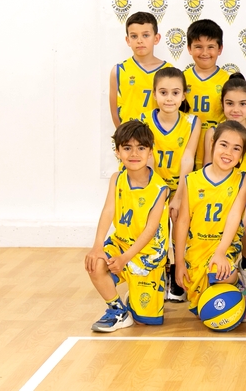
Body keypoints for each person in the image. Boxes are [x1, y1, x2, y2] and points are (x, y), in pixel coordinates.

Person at [85, 120, 169, 332]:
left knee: (144, 322)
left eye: (141, 148)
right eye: (127, 147)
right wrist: (97, 246)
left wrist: (125, 258)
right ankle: (118, 311)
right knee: (95, 263)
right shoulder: (117, 179)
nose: (134, 153)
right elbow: (108, 211)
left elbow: (150, 230)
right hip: (121, 243)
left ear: (150, 151)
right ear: (117, 151)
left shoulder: (159, 188)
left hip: (148, 254)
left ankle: (138, 292)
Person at [174, 121, 246, 320]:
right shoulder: (191, 180)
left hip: (225, 244)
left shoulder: (245, 179)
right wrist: (179, 262)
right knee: (202, 309)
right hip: (197, 248)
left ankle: (237, 287)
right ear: (212, 143)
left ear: (242, 155)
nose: (228, 153)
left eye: (236, 148)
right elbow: (183, 222)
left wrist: (220, 252)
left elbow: (235, 216)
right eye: (224, 144)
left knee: (220, 272)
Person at [204, 74, 246, 301]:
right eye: (229, 103)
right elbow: (206, 170)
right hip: (218, 197)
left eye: (242, 104)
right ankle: (215, 264)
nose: (236, 109)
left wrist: (245, 204)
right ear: (222, 104)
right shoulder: (212, 132)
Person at [140, 67, 200, 302]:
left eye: (175, 93)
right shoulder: (144, 121)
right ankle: (159, 272)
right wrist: (161, 196)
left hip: (182, 187)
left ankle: (177, 272)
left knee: (180, 224)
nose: (169, 98)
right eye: (163, 92)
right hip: (155, 186)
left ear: (183, 95)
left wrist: (178, 196)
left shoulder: (192, 122)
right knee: (156, 227)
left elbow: (188, 159)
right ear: (154, 94)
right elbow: (148, 160)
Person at [183, 19, 231, 170]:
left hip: (217, 153)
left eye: (210, 47)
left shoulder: (229, 81)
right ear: (189, 49)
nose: (204, 53)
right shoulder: (181, 79)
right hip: (185, 151)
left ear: (220, 49)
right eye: (198, 47)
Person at [109, 12, 170, 127]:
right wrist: (123, 134)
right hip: (130, 135)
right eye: (134, 36)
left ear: (156, 38)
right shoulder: (119, 70)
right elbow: (114, 111)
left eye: (145, 35)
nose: (140, 40)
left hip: (159, 135)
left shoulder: (169, 70)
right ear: (128, 40)